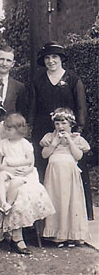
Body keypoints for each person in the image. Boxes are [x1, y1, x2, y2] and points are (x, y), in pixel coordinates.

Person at [0, 94, 54, 254]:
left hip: (15, 169)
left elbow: (25, 150)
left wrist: (24, 169)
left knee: (26, 189)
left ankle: (23, 231)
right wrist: (8, 170)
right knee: (16, 192)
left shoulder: (6, 126)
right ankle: (17, 238)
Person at [30, 42, 92, 219]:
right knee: (45, 173)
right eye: (47, 58)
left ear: (61, 59)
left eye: (54, 57)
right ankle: (46, 221)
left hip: (68, 132)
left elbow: (81, 107)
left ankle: (73, 218)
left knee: (70, 174)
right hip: (45, 132)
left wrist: (78, 129)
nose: (51, 61)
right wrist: (32, 131)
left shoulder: (73, 79)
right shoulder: (38, 80)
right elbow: (33, 108)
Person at [41, 108, 90, 247]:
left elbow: (78, 156)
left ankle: (73, 234)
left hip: (69, 174)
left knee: (71, 201)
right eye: (57, 124)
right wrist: (55, 143)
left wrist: (70, 141)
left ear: (71, 124)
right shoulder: (50, 137)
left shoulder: (76, 138)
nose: (60, 127)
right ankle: (58, 235)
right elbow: (44, 154)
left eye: (64, 123)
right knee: (56, 200)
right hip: (54, 175)